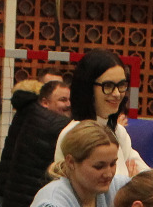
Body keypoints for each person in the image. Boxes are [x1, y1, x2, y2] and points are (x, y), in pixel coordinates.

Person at [0, 78, 74, 207]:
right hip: (23, 202)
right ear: (44, 102)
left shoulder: (29, 112)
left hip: (17, 197)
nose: (68, 104)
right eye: (62, 99)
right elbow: (72, 128)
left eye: (69, 100)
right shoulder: (42, 119)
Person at [52, 50, 146, 187]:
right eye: (108, 86)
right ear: (88, 88)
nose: (117, 94)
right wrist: (129, 186)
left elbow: (147, 179)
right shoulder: (73, 133)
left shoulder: (118, 131)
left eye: (121, 85)